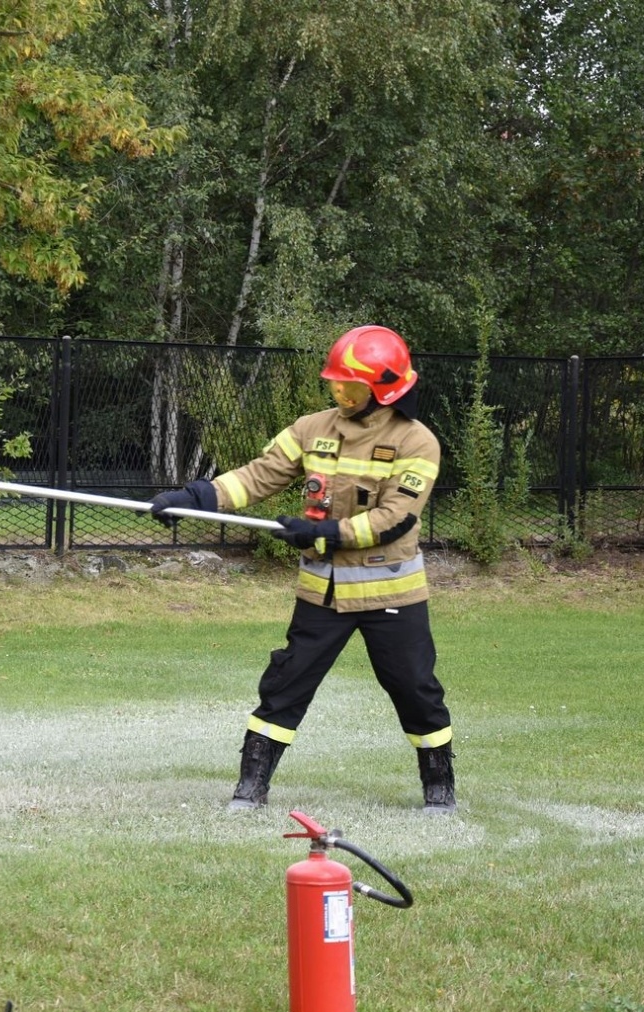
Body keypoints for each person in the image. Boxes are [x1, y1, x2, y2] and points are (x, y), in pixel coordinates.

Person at [150, 325, 455, 814]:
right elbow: (258, 475)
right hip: (323, 593)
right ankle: (251, 787)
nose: (339, 394)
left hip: (392, 595)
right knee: (285, 685)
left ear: (384, 389)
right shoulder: (311, 429)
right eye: (335, 384)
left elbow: (396, 518)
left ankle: (439, 787)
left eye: (351, 387)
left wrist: (325, 534)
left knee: (415, 688)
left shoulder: (416, 442)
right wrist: (194, 497)